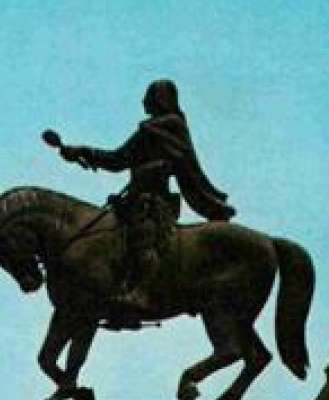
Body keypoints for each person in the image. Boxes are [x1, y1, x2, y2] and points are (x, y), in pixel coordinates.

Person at [54, 79, 236, 317]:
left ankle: (141, 292)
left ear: (160, 99)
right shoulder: (153, 128)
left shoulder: (166, 126)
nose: (144, 101)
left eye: (148, 96)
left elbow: (135, 160)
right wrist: (82, 152)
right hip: (135, 197)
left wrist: (154, 168)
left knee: (144, 235)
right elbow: (118, 160)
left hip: (153, 200)